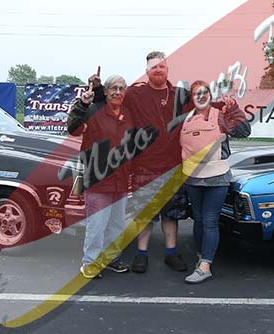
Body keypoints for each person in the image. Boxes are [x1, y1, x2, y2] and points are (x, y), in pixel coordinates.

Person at [122, 51, 191, 274]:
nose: (158, 70)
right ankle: (141, 254)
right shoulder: (134, 94)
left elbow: (205, 103)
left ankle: (171, 252)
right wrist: (93, 91)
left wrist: (226, 104)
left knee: (172, 214)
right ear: (147, 71)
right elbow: (111, 96)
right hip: (144, 166)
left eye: (161, 66)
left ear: (168, 69)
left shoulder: (181, 95)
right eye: (154, 67)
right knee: (145, 214)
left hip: (173, 166)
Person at [180, 81, 251, 284]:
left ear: (210, 95)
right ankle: (202, 255)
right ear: (192, 98)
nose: (201, 96)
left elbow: (244, 131)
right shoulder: (186, 119)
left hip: (217, 175)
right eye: (196, 93)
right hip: (192, 176)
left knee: (210, 220)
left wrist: (235, 110)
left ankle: (205, 266)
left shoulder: (220, 116)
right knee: (198, 219)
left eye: (204, 92)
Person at [67, 74, 134, 279]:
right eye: (113, 88)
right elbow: (73, 129)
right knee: (96, 226)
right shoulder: (93, 110)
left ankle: (111, 259)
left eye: (121, 88)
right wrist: (82, 104)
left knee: (117, 225)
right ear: (105, 91)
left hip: (121, 179)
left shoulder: (128, 113)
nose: (117, 92)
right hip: (98, 180)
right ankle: (90, 262)